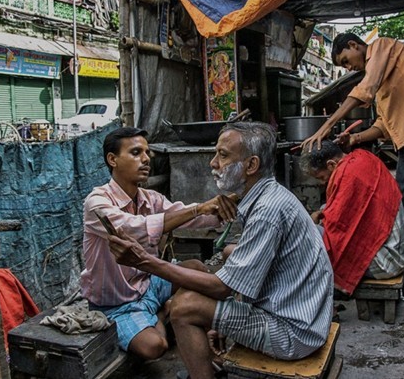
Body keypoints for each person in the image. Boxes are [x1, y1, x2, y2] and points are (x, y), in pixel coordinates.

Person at [107, 122, 334, 379]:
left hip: (294, 332)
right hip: (301, 316)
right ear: (112, 161)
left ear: (251, 166)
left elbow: (222, 287)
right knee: (220, 260)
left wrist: (146, 262)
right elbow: (246, 278)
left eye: (223, 155)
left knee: (184, 306)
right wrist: (224, 319)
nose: (213, 163)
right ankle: (210, 363)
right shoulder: (268, 196)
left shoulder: (267, 211)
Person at [301, 33, 404, 317]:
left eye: (346, 60)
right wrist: (353, 140)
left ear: (355, 46)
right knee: (401, 211)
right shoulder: (379, 78)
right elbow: (384, 125)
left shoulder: (382, 47)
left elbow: (364, 91)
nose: (348, 68)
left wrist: (327, 126)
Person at [81, 126, 238, 360]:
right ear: (112, 160)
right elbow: (135, 228)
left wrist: (225, 205)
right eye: (136, 153)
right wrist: (199, 208)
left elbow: (189, 217)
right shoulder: (97, 203)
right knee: (154, 347)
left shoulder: (149, 198)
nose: (145, 160)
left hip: (148, 284)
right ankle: (164, 312)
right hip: (116, 303)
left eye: (147, 153)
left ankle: (192, 329)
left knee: (196, 268)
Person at [301, 141, 404, 295]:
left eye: (322, 177)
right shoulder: (363, 157)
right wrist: (324, 212)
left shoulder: (350, 175)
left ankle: (318, 300)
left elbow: (338, 227)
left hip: (387, 261)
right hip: (394, 251)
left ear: (331, 164)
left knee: (311, 240)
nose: (323, 182)